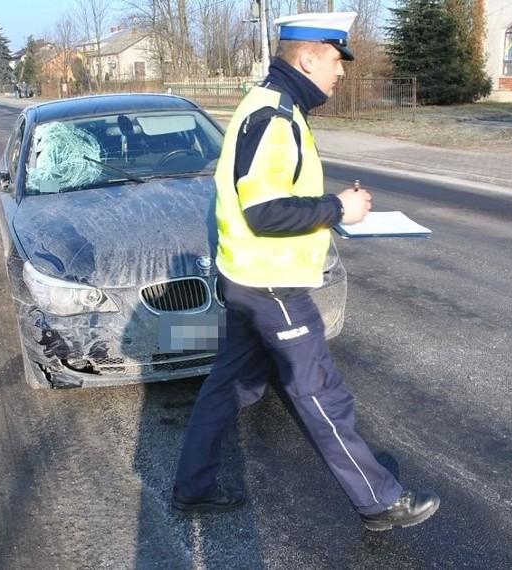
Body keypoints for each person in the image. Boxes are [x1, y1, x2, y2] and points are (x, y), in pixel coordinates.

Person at [171, 11, 440, 531]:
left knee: (226, 388)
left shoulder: (272, 105)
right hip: (271, 285)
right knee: (319, 392)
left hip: (248, 278)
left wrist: (333, 204)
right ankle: (381, 501)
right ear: (309, 56)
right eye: (337, 60)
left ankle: (193, 489)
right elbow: (264, 212)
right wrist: (337, 209)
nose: (341, 73)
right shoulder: (276, 117)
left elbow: (270, 197)